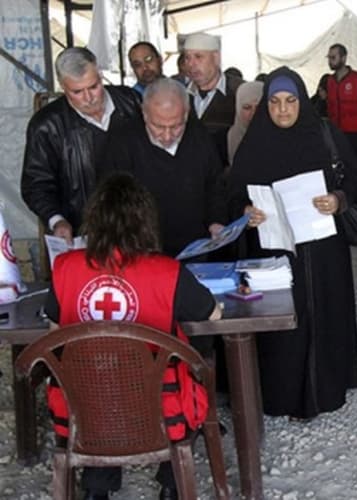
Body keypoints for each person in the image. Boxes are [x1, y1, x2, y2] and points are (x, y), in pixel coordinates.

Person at [43, 173, 221, 500]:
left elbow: (55, 337)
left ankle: (96, 488)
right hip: (161, 409)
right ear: (145, 223)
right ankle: (171, 483)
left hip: (84, 409)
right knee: (193, 370)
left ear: (93, 221)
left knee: (97, 387)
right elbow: (212, 313)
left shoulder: (65, 267)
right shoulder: (167, 271)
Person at [229, 66, 357, 419]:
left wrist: (337, 199)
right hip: (274, 254)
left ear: (302, 102)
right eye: (274, 102)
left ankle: (324, 391)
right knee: (281, 326)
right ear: (265, 106)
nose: (283, 110)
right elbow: (229, 193)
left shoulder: (323, 135)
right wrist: (245, 211)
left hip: (321, 253)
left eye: (290, 101)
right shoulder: (254, 143)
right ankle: (281, 394)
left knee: (321, 316)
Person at [20, 47, 141, 244]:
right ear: (62, 86)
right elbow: (36, 184)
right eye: (77, 92)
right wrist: (57, 220)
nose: (88, 98)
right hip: (83, 231)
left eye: (93, 86)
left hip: (137, 226)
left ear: (100, 75)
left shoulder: (131, 102)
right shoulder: (47, 125)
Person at [99, 78, 227, 258]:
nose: (167, 136)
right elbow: (112, 202)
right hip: (143, 252)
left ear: (186, 114)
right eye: (158, 126)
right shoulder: (122, 143)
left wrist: (216, 222)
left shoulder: (200, 137)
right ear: (144, 114)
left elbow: (214, 186)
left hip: (195, 248)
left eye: (176, 126)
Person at [317, 43, 357, 220]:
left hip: (356, 136)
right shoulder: (328, 82)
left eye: (333, 57)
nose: (330, 61)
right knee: (339, 176)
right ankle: (347, 215)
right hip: (335, 137)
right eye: (329, 57)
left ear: (343, 58)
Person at [183, 32, 244, 163]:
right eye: (187, 58)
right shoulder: (180, 96)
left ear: (216, 58)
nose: (191, 64)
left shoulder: (240, 93)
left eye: (198, 57)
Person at [227, 81, 264, 166]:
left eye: (258, 107)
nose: (253, 113)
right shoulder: (227, 140)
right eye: (247, 107)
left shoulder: (278, 139)